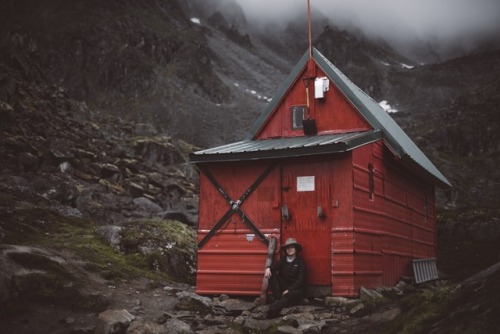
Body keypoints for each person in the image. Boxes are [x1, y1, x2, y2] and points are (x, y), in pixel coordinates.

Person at [264, 237, 307, 319]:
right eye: (287, 248)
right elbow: (275, 266)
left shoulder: (300, 262)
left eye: (292, 247)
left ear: (296, 249)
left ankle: (273, 311)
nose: (289, 249)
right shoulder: (283, 260)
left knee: (287, 296)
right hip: (284, 287)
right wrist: (268, 268)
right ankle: (278, 297)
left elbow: (300, 280)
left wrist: (289, 289)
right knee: (272, 274)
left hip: (295, 289)